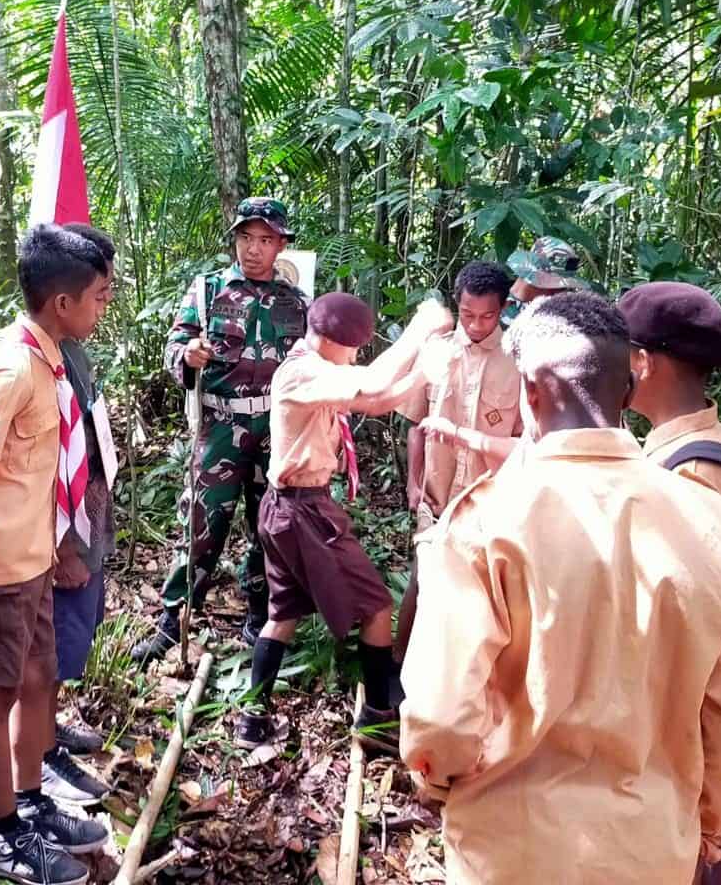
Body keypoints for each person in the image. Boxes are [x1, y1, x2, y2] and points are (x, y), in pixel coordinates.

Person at [400, 291, 721, 884]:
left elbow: (440, 721)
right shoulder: (715, 525)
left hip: (509, 850)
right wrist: (710, 822)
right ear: (627, 391)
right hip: (651, 849)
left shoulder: (482, 524)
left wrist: (435, 777)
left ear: (531, 393)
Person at [0, 226, 112, 885]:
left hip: (34, 560)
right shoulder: (13, 368)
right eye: (99, 297)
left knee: (38, 679)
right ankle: (2, 831)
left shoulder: (49, 359)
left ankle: (32, 799)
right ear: (63, 303)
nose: (103, 309)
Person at [235, 293, 453, 751]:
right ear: (331, 342)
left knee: (283, 614)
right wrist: (421, 326)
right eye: (352, 349)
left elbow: (376, 402)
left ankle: (252, 715)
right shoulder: (303, 372)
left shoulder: (313, 370)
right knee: (377, 608)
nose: (355, 358)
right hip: (302, 512)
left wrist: (420, 373)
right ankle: (376, 718)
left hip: (288, 507)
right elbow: (373, 381)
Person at [618, 280, 721, 885]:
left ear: (643, 361)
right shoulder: (680, 453)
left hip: (688, 770)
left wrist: (713, 815)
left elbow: (700, 652)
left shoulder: (696, 474)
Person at [132, 197, 308, 665]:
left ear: (281, 245)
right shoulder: (209, 291)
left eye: (265, 240)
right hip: (221, 424)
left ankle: (259, 616)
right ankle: (174, 620)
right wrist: (185, 355)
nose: (253, 249)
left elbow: (313, 367)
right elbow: (175, 344)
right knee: (201, 521)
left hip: (276, 427)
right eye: (246, 238)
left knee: (269, 525)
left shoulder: (297, 303)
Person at [395, 261, 521, 659]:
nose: (477, 324)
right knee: (422, 582)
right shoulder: (438, 352)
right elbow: (415, 424)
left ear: (501, 309)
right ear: (458, 305)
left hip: (491, 502)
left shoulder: (518, 360)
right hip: (436, 498)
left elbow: (522, 441)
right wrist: (415, 485)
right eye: (467, 314)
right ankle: (400, 667)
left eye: (487, 316)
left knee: (479, 596)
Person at [40, 223, 118, 807]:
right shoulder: (35, 364)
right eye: (100, 292)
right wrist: (63, 544)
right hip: (62, 529)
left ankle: (50, 729)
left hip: (89, 509)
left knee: (72, 636)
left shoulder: (74, 350)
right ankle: (40, 755)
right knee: (52, 640)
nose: (107, 301)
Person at [501, 235, 592, 328]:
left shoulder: (567, 309)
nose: (559, 293)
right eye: (555, 286)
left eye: (563, 288)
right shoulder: (497, 303)